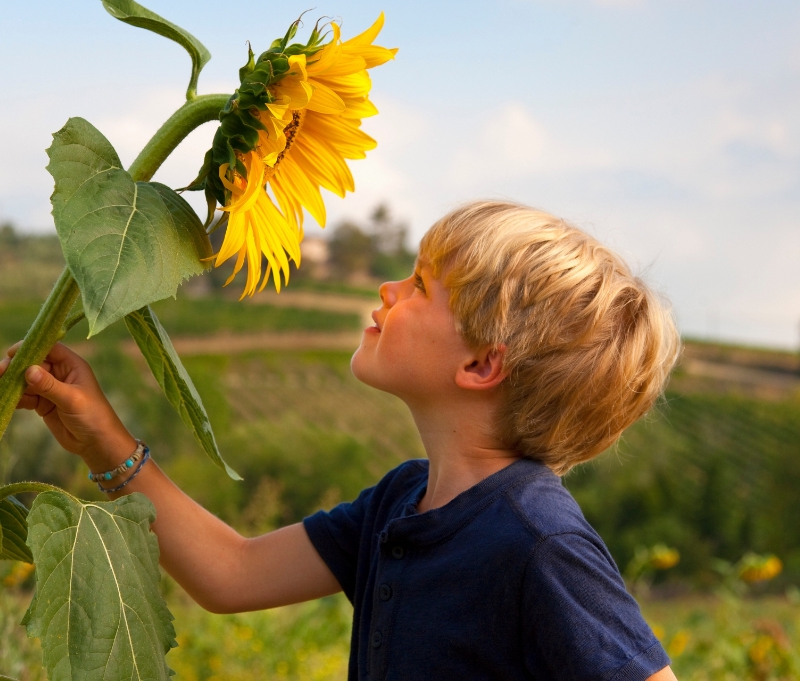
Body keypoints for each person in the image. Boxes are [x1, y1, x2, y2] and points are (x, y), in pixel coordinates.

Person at [2, 201, 681, 680]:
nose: (388, 289)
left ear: (479, 365)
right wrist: (100, 435)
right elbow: (232, 573)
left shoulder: (539, 541)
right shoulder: (402, 502)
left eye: (419, 285)